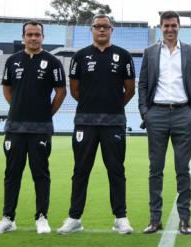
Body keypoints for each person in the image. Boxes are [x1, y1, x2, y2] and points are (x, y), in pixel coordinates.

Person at [57, 15, 136, 235]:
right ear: (91, 30)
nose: (101, 30)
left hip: (114, 123)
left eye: (105, 27)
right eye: (97, 27)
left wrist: (113, 106)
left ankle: (121, 218)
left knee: (116, 170)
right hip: (85, 122)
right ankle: (74, 218)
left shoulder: (123, 56)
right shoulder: (80, 56)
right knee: (81, 170)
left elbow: (130, 90)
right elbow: (75, 90)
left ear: (112, 30)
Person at [0, 20, 66, 235]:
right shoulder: (12, 61)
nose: (33, 38)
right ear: (23, 37)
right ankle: (8, 218)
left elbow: (61, 92)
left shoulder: (52, 62)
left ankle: (42, 217)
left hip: (40, 127)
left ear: (43, 37)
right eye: (29, 34)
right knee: (12, 173)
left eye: (37, 34)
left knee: (40, 173)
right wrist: (18, 107)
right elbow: (7, 88)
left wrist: (47, 113)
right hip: (15, 127)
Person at [138, 10, 191, 235]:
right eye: (166, 26)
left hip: (183, 114)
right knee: (155, 170)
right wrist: (145, 112)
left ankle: (185, 219)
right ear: (160, 27)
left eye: (173, 25)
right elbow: (143, 84)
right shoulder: (149, 52)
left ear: (179, 27)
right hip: (155, 114)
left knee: (182, 170)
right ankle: (154, 219)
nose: (170, 29)